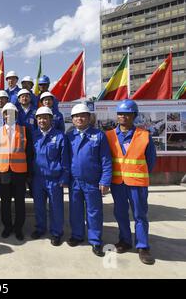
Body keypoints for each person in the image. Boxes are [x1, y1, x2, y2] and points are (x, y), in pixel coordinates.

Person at [105, 99, 157, 265]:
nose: (123, 117)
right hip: (118, 182)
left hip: (137, 183)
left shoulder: (145, 135)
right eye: (120, 114)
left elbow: (151, 161)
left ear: (134, 115)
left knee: (140, 215)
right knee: (120, 213)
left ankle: (143, 247)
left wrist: (139, 174)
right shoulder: (109, 135)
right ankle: (125, 241)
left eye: (127, 114)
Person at [66, 104, 112, 257]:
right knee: (75, 211)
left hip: (93, 182)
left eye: (83, 115)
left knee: (94, 212)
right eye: (76, 116)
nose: (80, 118)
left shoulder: (99, 135)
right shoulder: (69, 136)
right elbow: (65, 159)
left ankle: (95, 241)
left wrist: (105, 181)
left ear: (89, 117)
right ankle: (77, 235)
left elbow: (106, 160)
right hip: (74, 182)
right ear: (72, 119)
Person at [0, 103, 33, 240]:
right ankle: (7, 227)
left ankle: (18, 228)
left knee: (19, 202)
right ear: (3, 115)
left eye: (11, 113)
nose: (8, 115)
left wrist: (29, 174)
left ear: (16, 115)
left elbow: (29, 153)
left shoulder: (24, 130)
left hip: (20, 173)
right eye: (6, 113)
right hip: (4, 172)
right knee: (5, 202)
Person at [31, 107, 69, 246]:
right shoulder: (34, 135)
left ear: (51, 119)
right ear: (37, 120)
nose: (42, 120)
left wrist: (64, 177)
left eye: (45, 117)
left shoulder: (59, 136)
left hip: (54, 178)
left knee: (56, 207)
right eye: (39, 118)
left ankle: (56, 232)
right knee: (39, 206)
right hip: (38, 178)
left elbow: (64, 159)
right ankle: (40, 228)